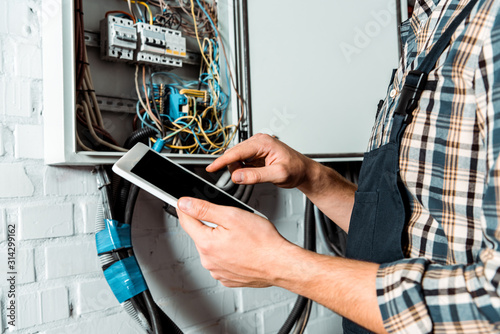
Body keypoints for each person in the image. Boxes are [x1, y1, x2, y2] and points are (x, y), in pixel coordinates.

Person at [176, 0, 500, 333]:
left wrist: (282, 266)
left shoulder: (490, 24)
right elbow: (414, 230)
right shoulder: (428, 23)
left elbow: (493, 306)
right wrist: (312, 177)